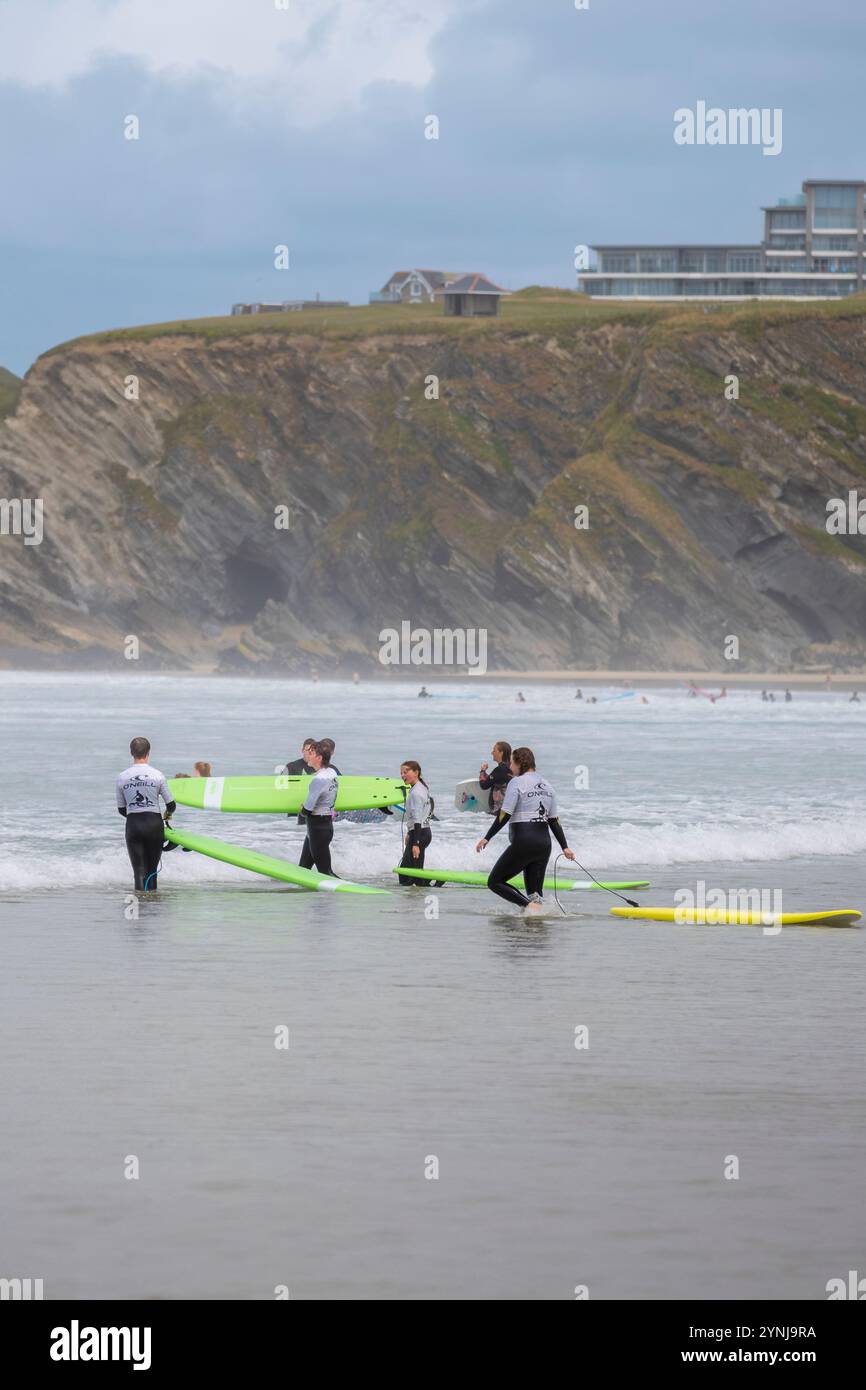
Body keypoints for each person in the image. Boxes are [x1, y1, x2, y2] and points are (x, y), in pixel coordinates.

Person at [475, 746, 575, 915]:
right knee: (535, 894)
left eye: (512, 763)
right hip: (544, 844)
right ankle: (538, 922)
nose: (511, 767)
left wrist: (487, 837)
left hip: (524, 841)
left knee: (494, 882)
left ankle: (529, 907)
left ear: (520, 763)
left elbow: (504, 814)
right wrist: (565, 847)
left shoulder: (516, 782)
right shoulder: (548, 785)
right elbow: (554, 821)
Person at [116, 737, 176, 891]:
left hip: (134, 825)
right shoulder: (158, 775)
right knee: (152, 872)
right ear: (149, 752)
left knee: (138, 872)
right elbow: (171, 805)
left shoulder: (122, 777)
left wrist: (136, 815)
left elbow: (122, 809)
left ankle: (139, 905)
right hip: (154, 824)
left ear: (131, 753)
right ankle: (152, 908)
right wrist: (166, 818)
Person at [298, 741, 338, 875]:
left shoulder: (318, 780)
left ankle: (350, 893)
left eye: (311, 753)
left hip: (317, 828)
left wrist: (302, 808)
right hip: (323, 826)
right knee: (303, 869)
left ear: (319, 758)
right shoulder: (331, 772)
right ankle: (302, 896)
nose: (308, 756)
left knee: (325, 873)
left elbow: (307, 810)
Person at [397, 761, 434, 884]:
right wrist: (409, 832)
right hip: (423, 832)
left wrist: (416, 843)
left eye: (406, 772)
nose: (403, 775)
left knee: (405, 875)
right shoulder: (421, 788)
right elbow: (429, 808)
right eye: (401, 773)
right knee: (413, 872)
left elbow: (417, 820)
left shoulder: (416, 793)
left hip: (419, 834)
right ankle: (427, 887)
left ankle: (435, 882)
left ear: (416, 773)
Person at [478, 741, 513, 813]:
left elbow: (484, 785)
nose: (492, 753)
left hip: (499, 811)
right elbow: (498, 779)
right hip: (510, 808)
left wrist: (482, 771)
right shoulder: (512, 767)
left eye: (494, 750)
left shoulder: (500, 769)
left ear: (501, 753)